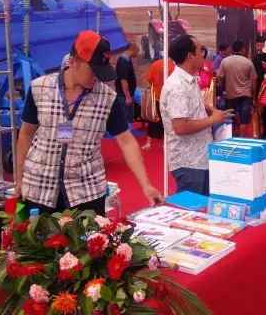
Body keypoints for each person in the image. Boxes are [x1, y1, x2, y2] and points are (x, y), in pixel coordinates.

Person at [15, 30, 162, 214]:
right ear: (72, 62)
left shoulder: (107, 98)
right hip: (39, 189)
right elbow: (26, 133)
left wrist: (146, 185)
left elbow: (127, 141)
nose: (97, 77)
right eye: (93, 70)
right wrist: (19, 178)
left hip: (86, 194)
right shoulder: (39, 88)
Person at [160, 34, 234, 195]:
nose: (203, 55)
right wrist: (212, 119)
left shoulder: (189, 80)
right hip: (189, 162)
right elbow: (180, 126)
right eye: (201, 51)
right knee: (194, 207)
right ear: (190, 56)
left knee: (203, 205)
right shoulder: (177, 86)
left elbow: (191, 107)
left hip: (199, 158)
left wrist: (210, 110)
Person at [218, 40, 258, 137]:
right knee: (244, 119)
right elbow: (254, 81)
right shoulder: (248, 62)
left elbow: (220, 78)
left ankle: (231, 137)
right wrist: (254, 96)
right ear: (243, 49)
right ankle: (241, 137)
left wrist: (222, 90)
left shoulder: (225, 61)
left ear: (232, 49)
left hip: (230, 95)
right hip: (245, 95)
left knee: (230, 118)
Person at [142, 57, 176, 150]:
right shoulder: (174, 66)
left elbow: (150, 80)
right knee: (167, 121)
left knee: (153, 120)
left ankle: (148, 143)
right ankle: (165, 143)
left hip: (157, 96)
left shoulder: (155, 64)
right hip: (169, 98)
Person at [116, 42, 138, 125]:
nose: (137, 53)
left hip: (127, 94)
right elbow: (123, 80)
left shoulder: (127, 60)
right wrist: (127, 96)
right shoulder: (123, 62)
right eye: (137, 51)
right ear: (133, 49)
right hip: (124, 96)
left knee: (129, 117)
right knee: (126, 118)